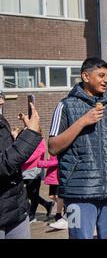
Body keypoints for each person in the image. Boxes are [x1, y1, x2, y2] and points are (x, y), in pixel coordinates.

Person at [48, 58, 107, 239]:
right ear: (85, 76)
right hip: (78, 193)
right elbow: (53, 147)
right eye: (101, 75)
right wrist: (83, 121)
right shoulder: (65, 105)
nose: (106, 80)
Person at [1, 92, 43, 239]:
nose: (2, 101)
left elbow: (11, 157)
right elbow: (3, 165)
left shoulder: (2, 122)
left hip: (16, 209)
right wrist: (30, 134)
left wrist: (22, 137)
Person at [21, 138, 55, 223]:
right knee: (26, 193)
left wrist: (21, 159)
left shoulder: (40, 141)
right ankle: (47, 204)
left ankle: (32, 215)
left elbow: (35, 155)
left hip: (34, 170)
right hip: (24, 171)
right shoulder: (25, 139)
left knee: (33, 194)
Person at [38, 152, 67, 230]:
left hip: (57, 176)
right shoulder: (52, 151)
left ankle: (60, 213)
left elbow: (56, 162)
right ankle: (65, 205)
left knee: (58, 196)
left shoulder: (59, 151)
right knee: (51, 196)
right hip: (52, 176)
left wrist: (42, 163)